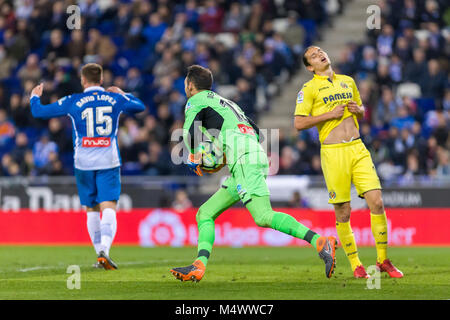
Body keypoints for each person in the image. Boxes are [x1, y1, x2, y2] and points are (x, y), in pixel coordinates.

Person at [170, 65, 337, 282]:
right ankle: (198, 265)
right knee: (205, 213)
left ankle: (320, 242)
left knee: (263, 216)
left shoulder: (196, 100)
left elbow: (189, 131)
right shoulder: (228, 103)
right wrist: (224, 156)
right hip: (248, 157)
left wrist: (194, 155)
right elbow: (256, 132)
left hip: (243, 160)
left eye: (186, 84)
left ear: (190, 86)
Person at [294, 46, 403, 278]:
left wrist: (359, 110)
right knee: (343, 211)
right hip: (333, 153)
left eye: (321, 51)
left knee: (377, 202)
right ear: (310, 67)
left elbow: (361, 112)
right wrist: (328, 115)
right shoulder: (308, 89)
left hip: (357, 147)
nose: (321, 54)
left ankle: (383, 260)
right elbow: (299, 123)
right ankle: (356, 265)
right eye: (314, 55)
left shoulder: (347, 81)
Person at [29, 63, 145, 270]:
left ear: (83, 80)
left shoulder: (73, 100)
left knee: (91, 209)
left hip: (83, 163)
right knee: (108, 206)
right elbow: (139, 106)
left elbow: (39, 113)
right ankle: (105, 251)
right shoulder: (115, 99)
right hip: (108, 161)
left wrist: (34, 97)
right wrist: (123, 92)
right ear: (101, 80)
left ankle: (99, 254)